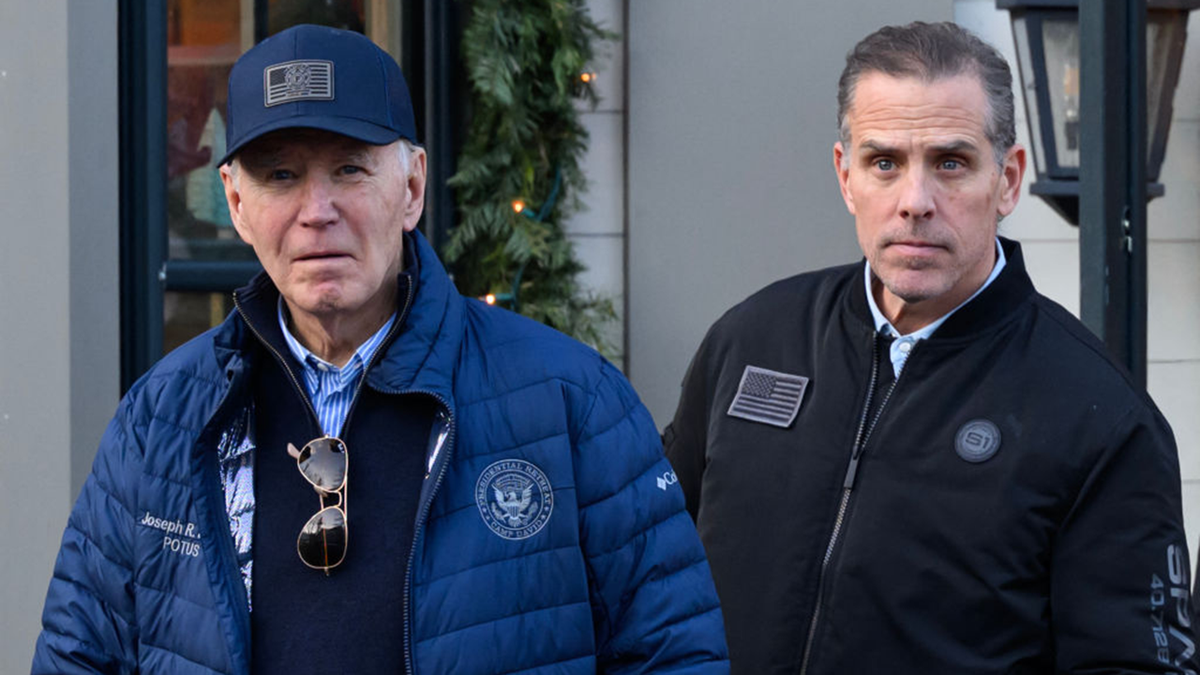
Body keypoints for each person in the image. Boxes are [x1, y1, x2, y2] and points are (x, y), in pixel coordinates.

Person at [33, 24, 728, 675]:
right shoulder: (161, 419)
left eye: (349, 169)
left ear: (412, 187)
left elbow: (673, 653)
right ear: (236, 203)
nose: (317, 211)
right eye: (280, 175)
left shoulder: (572, 402)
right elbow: (78, 656)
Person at [664, 20, 1196, 675]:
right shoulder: (750, 341)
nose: (915, 202)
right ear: (846, 175)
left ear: (1007, 180)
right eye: (884, 162)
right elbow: (646, 569)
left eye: (950, 163)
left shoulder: (1102, 418)